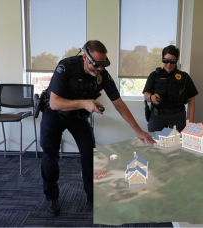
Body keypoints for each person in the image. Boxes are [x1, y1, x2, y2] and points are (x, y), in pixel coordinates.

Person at [40, 40, 156, 215]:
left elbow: (120, 105)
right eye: (96, 65)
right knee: (50, 157)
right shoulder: (66, 67)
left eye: (103, 64)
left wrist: (138, 130)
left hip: (77, 117)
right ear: (85, 58)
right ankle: (52, 198)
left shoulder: (103, 76)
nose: (100, 69)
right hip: (54, 115)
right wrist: (84, 103)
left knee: (91, 156)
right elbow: (54, 103)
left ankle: (93, 197)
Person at [142, 45, 198, 132]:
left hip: (177, 117)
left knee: (178, 143)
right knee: (154, 143)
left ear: (177, 60)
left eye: (172, 61)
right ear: (162, 59)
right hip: (157, 116)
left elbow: (191, 99)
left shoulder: (184, 77)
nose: (168, 64)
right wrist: (151, 97)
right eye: (165, 61)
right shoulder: (154, 75)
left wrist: (191, 122)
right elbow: (146, 94)